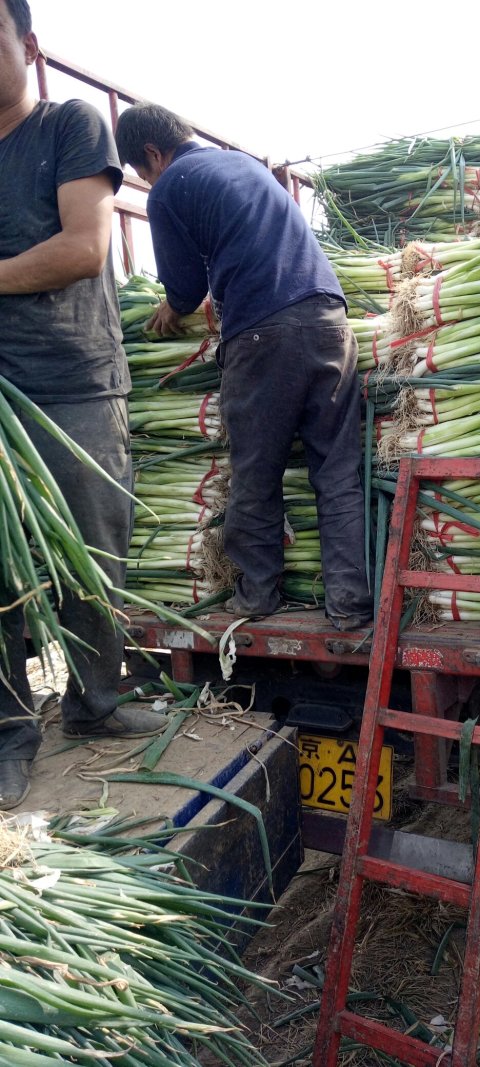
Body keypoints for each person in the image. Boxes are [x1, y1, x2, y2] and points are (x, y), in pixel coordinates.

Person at [114, 103, 373, 632]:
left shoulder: (170, 186)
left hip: (264, 333)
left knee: (256, 472)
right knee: (337, 471)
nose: (147, 182)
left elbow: (184, 288)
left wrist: (172, 308)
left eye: (143, 173)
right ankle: (349, 604)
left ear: (152, 154)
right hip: (329, 319)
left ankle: (257, 596)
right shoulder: (243, 166)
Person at [0, 0, 166, 810]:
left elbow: (83, 246)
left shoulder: (69, 126)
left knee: (92, 552)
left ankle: (97, 702)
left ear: (27, 45)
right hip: (1, 393)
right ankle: (9, 730)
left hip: (75, 381)